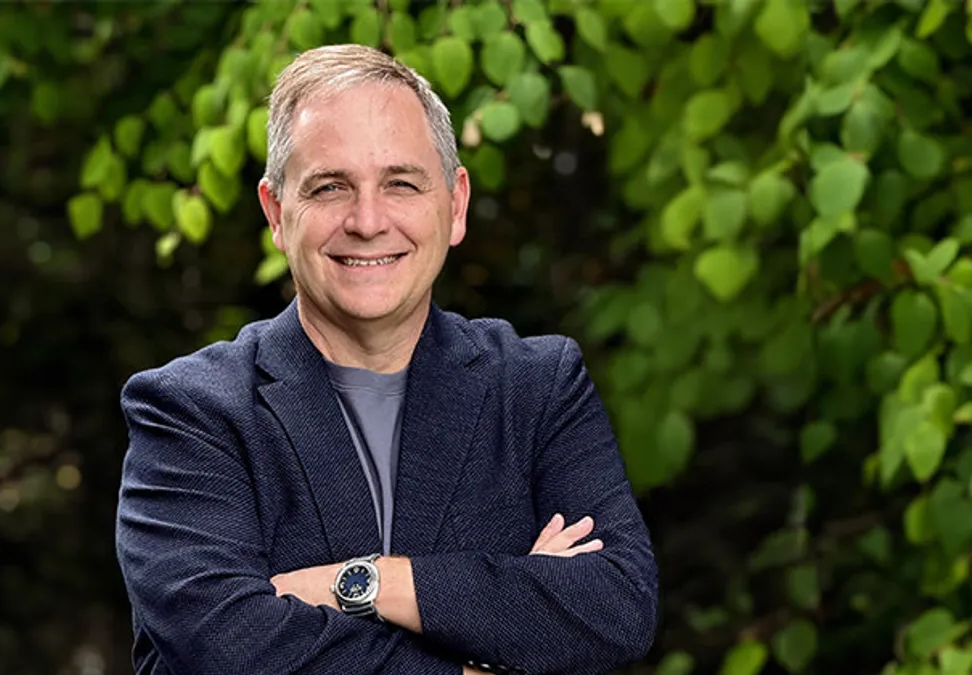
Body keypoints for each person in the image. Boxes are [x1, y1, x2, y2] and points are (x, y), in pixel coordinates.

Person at [114, 44, 658, 675]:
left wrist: (362, 585)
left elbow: (616, 606)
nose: (368, 220)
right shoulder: (191, 411)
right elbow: (226, 645)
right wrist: (489, 636)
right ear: (275, 213)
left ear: (454, 205)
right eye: (330, 187)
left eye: (401, 183)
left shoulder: (536, 387)